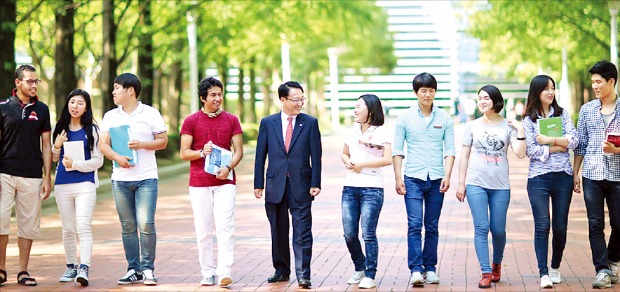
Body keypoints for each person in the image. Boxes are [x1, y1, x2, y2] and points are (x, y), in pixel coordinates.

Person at [99, 73, 168, 286]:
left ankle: (148, 269)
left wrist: (142, 145)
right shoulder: (111, 116)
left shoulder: (150, 113)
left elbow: (163, 141)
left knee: (146, 223)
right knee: (127, 226)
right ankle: (133, 269)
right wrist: (118, 158)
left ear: (130, 90)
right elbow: (103, 144)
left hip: (146, 177)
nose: (113, 92)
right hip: (120, 179)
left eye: (117, 87)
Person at [455, 85, 526, 289]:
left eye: (486, 98)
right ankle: (486, 271)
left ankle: (497, 264)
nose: (482, 101)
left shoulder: (508, 126)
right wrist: (461, 183)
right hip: (476, 183)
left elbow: (520, 153)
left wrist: (520, 130)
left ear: (496, 101)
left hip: (500, 186)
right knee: (481, 227)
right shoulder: (473, 126)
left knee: (498, 229)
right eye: (479, 98)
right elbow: (465, 155)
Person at [254, 81, 322, 289]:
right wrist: (258, 183)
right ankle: (281, 270)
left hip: (301, 184)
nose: (300, 102)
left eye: (302, 98)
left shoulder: (310, 123)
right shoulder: (268, 122)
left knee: (302, 231)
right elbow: (260, 155)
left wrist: (315, 183)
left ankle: (303, 274)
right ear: (283, 100)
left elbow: (316, 155)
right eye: (295, 99)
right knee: (278, 230)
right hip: (275, 184)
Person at [180, 77, 243, 287]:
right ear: (202, 98)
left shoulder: (232, 120)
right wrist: (200, 152)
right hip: (199, 183)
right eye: (213, 95)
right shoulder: (191, 121)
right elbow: (184, 153)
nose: (218, 98)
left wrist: (228, 168)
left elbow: (239, 151)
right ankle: (207, 272)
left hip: (225, 182)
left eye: (220, 94)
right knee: (204, 229)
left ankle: (225, 271)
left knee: (226, 227)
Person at [393, 72, 455, 287]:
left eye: (431, 90)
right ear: (416, 93)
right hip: (413, 178)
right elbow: (398, 150)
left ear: (435, 92)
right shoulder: (404, 118)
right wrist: (398, 177)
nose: (428, 94)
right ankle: (416, 270)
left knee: (432, 225)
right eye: (423, 91)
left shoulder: (445, 117)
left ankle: (430, 268)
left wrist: (447, 175)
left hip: (437, 177)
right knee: (414, 224)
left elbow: (450, 149)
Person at [522, 75, 578, 289]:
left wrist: (549, 140)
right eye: (546, 89)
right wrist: (559, 146)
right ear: (536, 92)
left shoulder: (563, 114)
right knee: (542, 225)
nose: (550, 92)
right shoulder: (528, 119)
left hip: (563, 176)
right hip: (538, 179)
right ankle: (543, 272)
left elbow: (574, 140)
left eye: (552, 88)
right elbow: (532, 151)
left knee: (561, 227)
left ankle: (555, 266)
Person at [0, 64, 52, 287]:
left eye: (36, 81)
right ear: (18, 83)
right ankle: (1, 270)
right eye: (29, 81)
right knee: (1, 222)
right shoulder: (2, 107)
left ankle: (23, 271)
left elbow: (47, 145)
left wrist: (47, 176)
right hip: (4, 173)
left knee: (28, 225)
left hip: (32, 175)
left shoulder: (42, 109)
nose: (34, 85)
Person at [574, 60, 620, 289]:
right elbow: (580, 144)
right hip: (592, 173)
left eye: (598, 82)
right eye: (592, 82)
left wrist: (617, 150)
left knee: (619, 224)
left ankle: (613, 261)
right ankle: (602, 269)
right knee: (595, 224)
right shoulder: (587, 110)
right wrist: (575, 173)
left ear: (611, 82)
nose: (595, 86)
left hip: (618, 175)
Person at [51, 89, 103, 286]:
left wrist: (77, 165)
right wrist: (56, 146)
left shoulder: (93, 130)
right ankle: (71, 265)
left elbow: (98, 161)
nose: (75, 106)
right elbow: (53, 158)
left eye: (80, 103)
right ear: (67, 104)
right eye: (72, 102)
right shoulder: (59, 127)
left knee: (83, 227)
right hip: (62, 185)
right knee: (67, 229)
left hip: (85, 184)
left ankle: (84, 268)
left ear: (86, 107)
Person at [341, 94, 392, 289]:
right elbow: (344, 153)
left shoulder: (382, 132)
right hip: (350, 188)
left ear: (370, 110)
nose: (355, 110)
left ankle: (370, 274)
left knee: (368, 233)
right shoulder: (351, 131)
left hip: (372, 188)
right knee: (349, 233)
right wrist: (347, 161)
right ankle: (359, 266)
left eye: (358, 107)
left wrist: (363, 164)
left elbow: (387, 159)